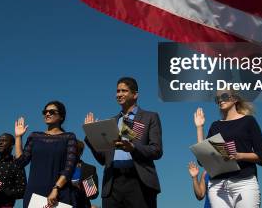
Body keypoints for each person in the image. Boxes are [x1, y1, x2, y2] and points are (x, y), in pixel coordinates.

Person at [84, 77, 163, 208]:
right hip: (112, 182)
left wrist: (133, 147)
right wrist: (90, 136)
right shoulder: (111, 122)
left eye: (123, 91)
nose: (119, 94)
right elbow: (103, 159)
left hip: (139, 181)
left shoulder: (150, 117)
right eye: (117, 91)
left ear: (135, 94)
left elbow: (157, 150)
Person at [195, 90, 262, 208]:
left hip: (244, 183)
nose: (220, 100)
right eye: (217, 98)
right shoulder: (215, 125)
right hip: (217, 185)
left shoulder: (249, 121)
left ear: (235, 98)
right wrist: (199, 128)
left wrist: (239, 155)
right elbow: (203, 159)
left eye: (224, 96)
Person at [14, 100, 77, 208]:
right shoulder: (34, 136)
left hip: (58, 193)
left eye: (52, 111)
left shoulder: (69, 137)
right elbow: (21, 162)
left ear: (61, 116)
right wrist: (18, 137)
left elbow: (69, 168)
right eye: (45, 111)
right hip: (34, 193)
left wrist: (56, 188)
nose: (47, 114)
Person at [72, 140, 100, 208]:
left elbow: (92, 194)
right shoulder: (60, 166)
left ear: (80, 152)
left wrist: (82, 187)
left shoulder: (88, 170)